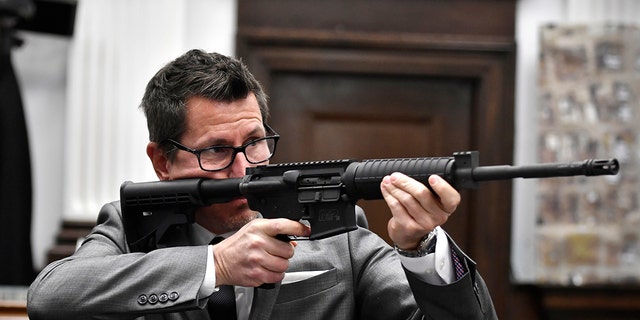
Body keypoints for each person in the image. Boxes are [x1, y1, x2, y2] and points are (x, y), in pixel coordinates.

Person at [27, 49, 497, 319]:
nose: (244, 169)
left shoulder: (338, 234)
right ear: (161, 162)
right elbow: (51, 297)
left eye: (255, 142)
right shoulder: (131, 229)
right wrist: (216, 265)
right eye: (215, 150)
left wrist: (421, 250)